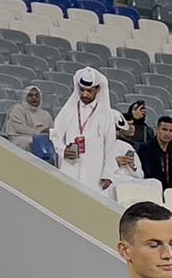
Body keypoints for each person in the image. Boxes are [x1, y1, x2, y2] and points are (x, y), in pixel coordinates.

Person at [49, 68, 119, 196]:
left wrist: (108, 174)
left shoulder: (106, 114)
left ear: (97, 90)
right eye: (82, 90)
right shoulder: (69, 109)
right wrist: (63, 150)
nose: (85, 94)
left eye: (89, 91)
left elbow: (110, 146)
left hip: (94, 173)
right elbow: (54, 135)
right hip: (70, 167)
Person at [134, 115, 172, 190]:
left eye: (171, 131)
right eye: (164, 129)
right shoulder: (144, 149)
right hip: (149, 189)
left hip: (170, 192)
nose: (167, 134)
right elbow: (144, 175)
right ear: (157, 129)